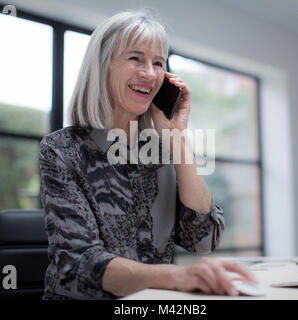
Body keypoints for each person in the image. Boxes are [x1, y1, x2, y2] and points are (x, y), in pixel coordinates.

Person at [39, 9, 258, 300]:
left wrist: (177, 137)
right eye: (135, 58)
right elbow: (80, 264)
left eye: (158, 63)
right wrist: (177, 276)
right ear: (102, 66)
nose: (150, 73)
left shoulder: (160, 150)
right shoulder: (62, 150)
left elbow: (202, 238)